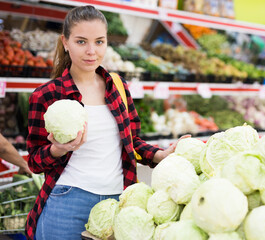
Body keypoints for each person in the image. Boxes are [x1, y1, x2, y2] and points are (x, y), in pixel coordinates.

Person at [25, 5, 188, 240]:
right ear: (65, 42)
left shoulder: (117, 86)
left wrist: (159, 156)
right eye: (81, 42)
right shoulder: (47, 95)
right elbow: (34, 161)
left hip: (117, 203)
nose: (91, 51)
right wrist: (57, 149)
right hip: (68, 201)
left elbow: (131, 141)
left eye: (99, 42)